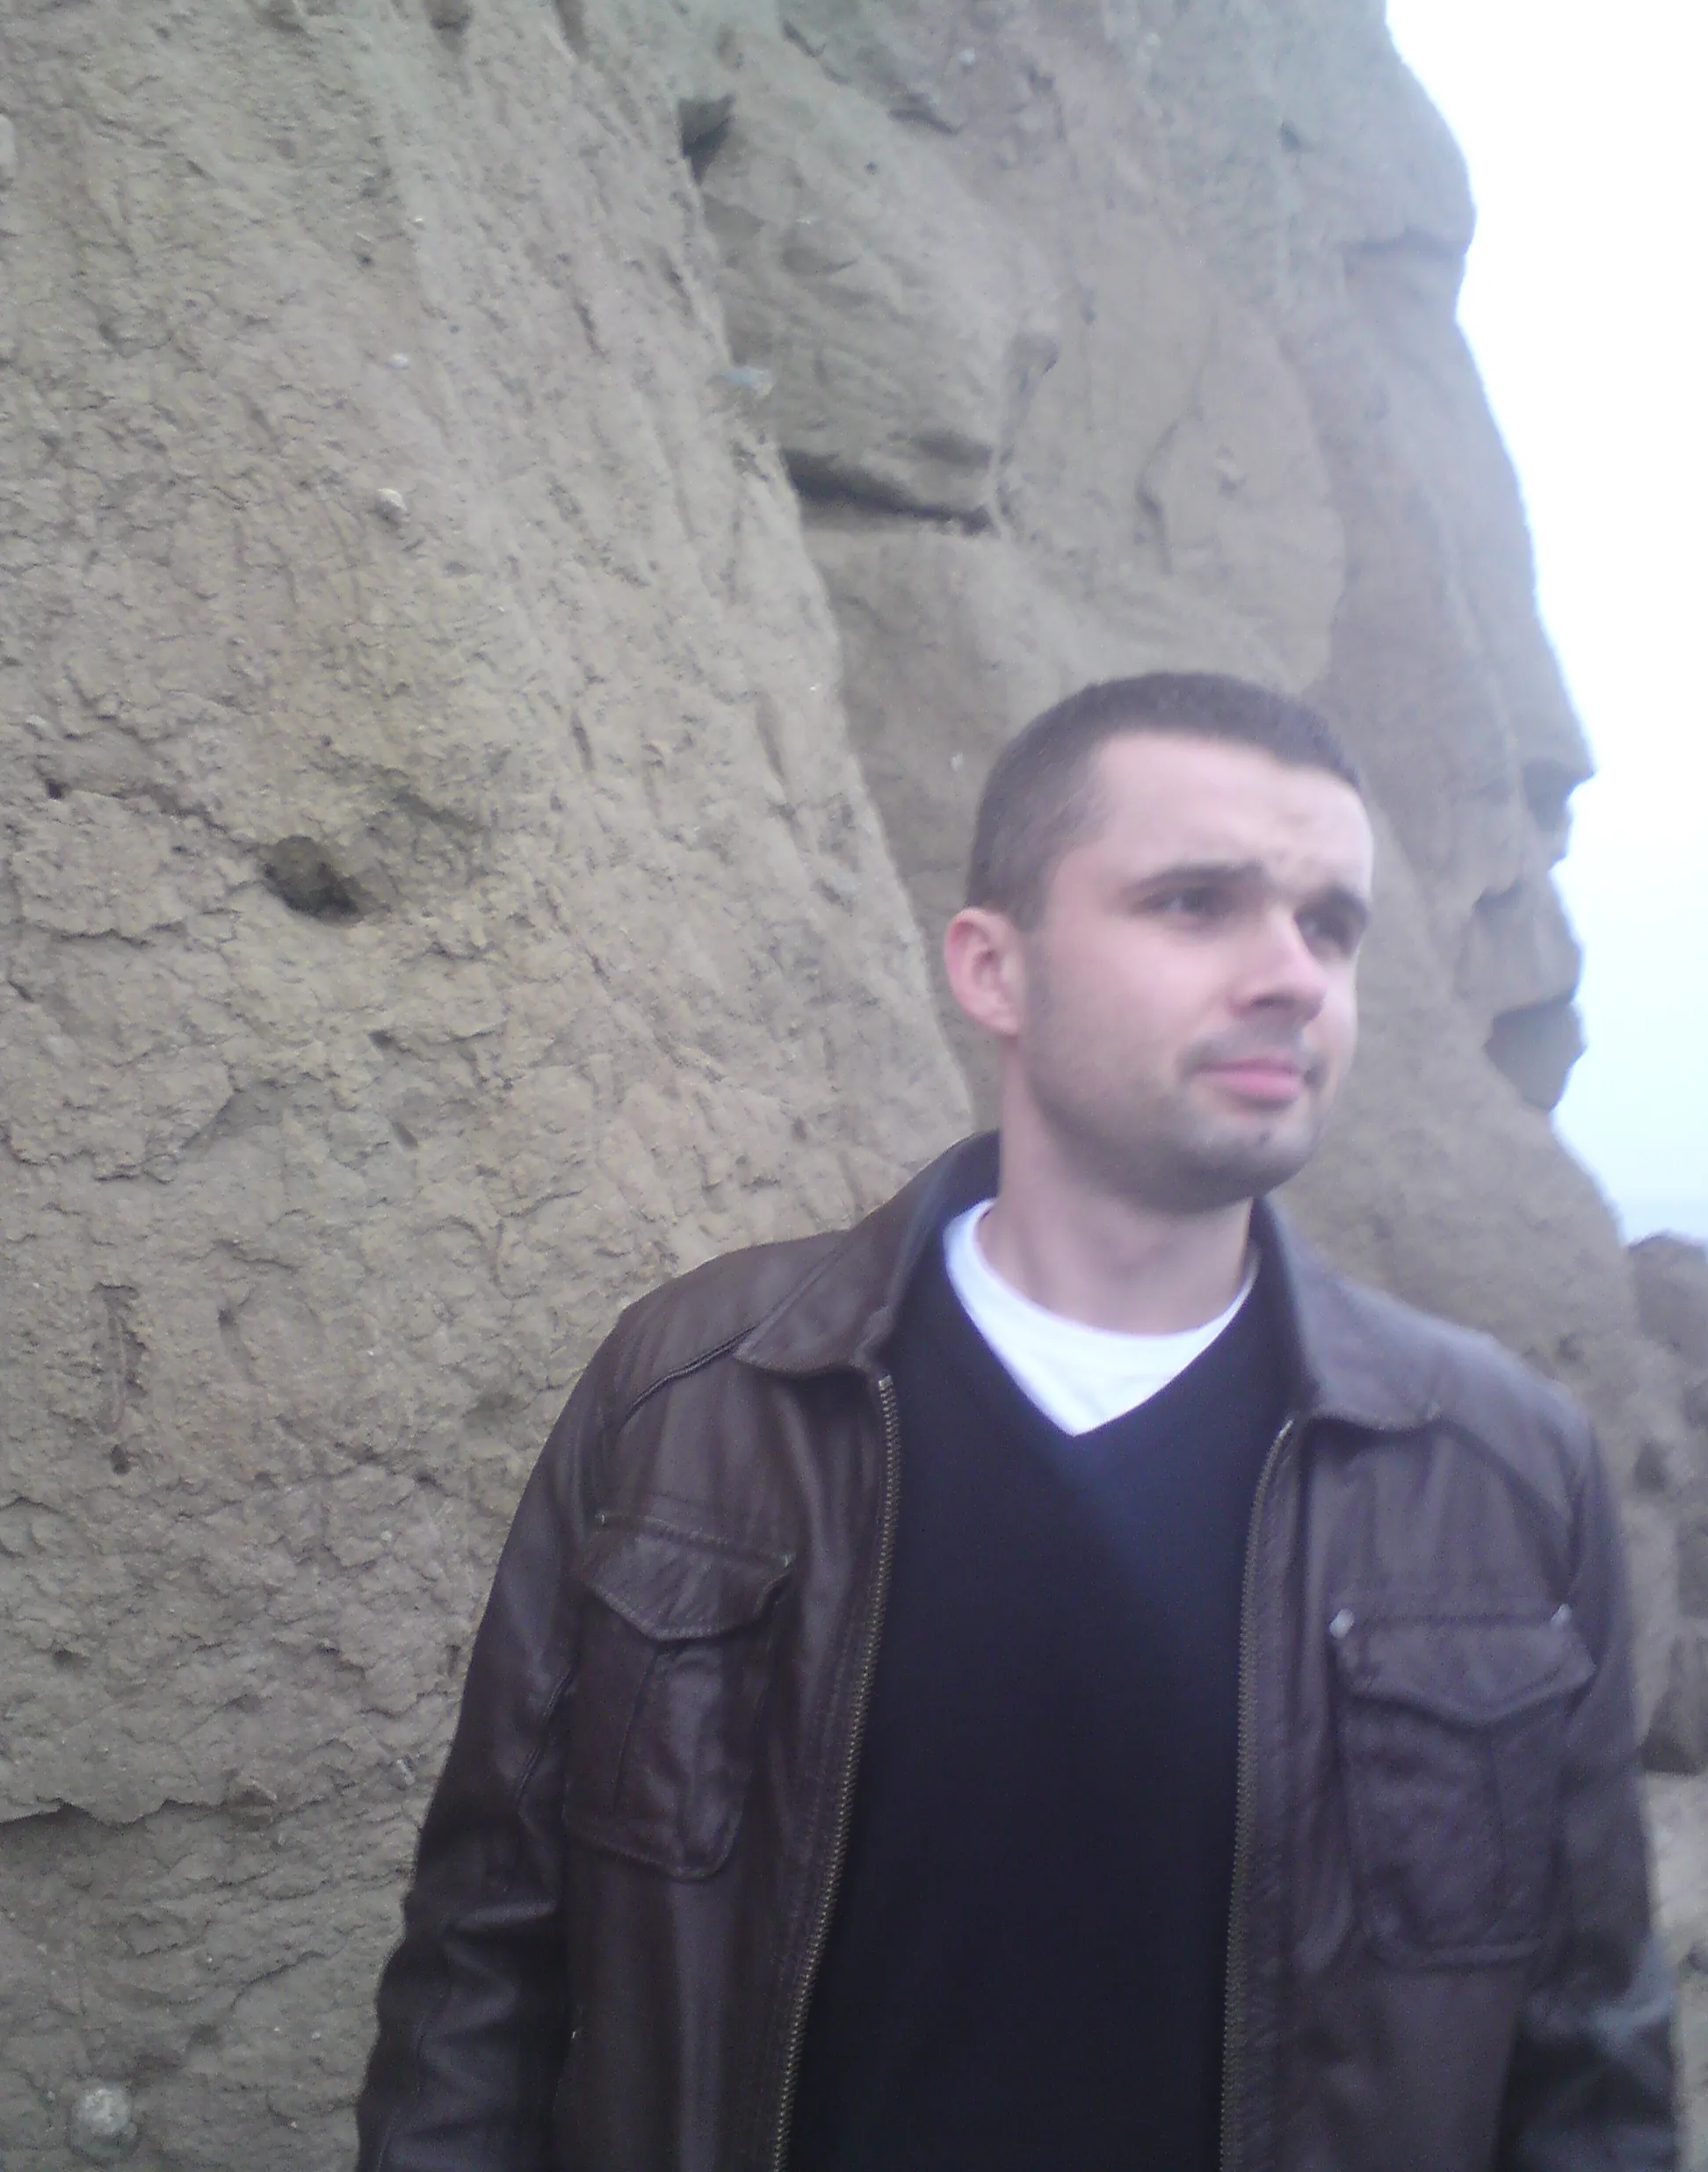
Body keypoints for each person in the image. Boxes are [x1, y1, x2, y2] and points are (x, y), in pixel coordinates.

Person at [356, 671, 1675, 2171]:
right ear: (994, 969)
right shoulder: (695, 1395)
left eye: (1330, 926)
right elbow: (482, 1967)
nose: (1292, 976)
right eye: (1196, 903)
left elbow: (1590, 2072)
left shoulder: (1504, 1472)